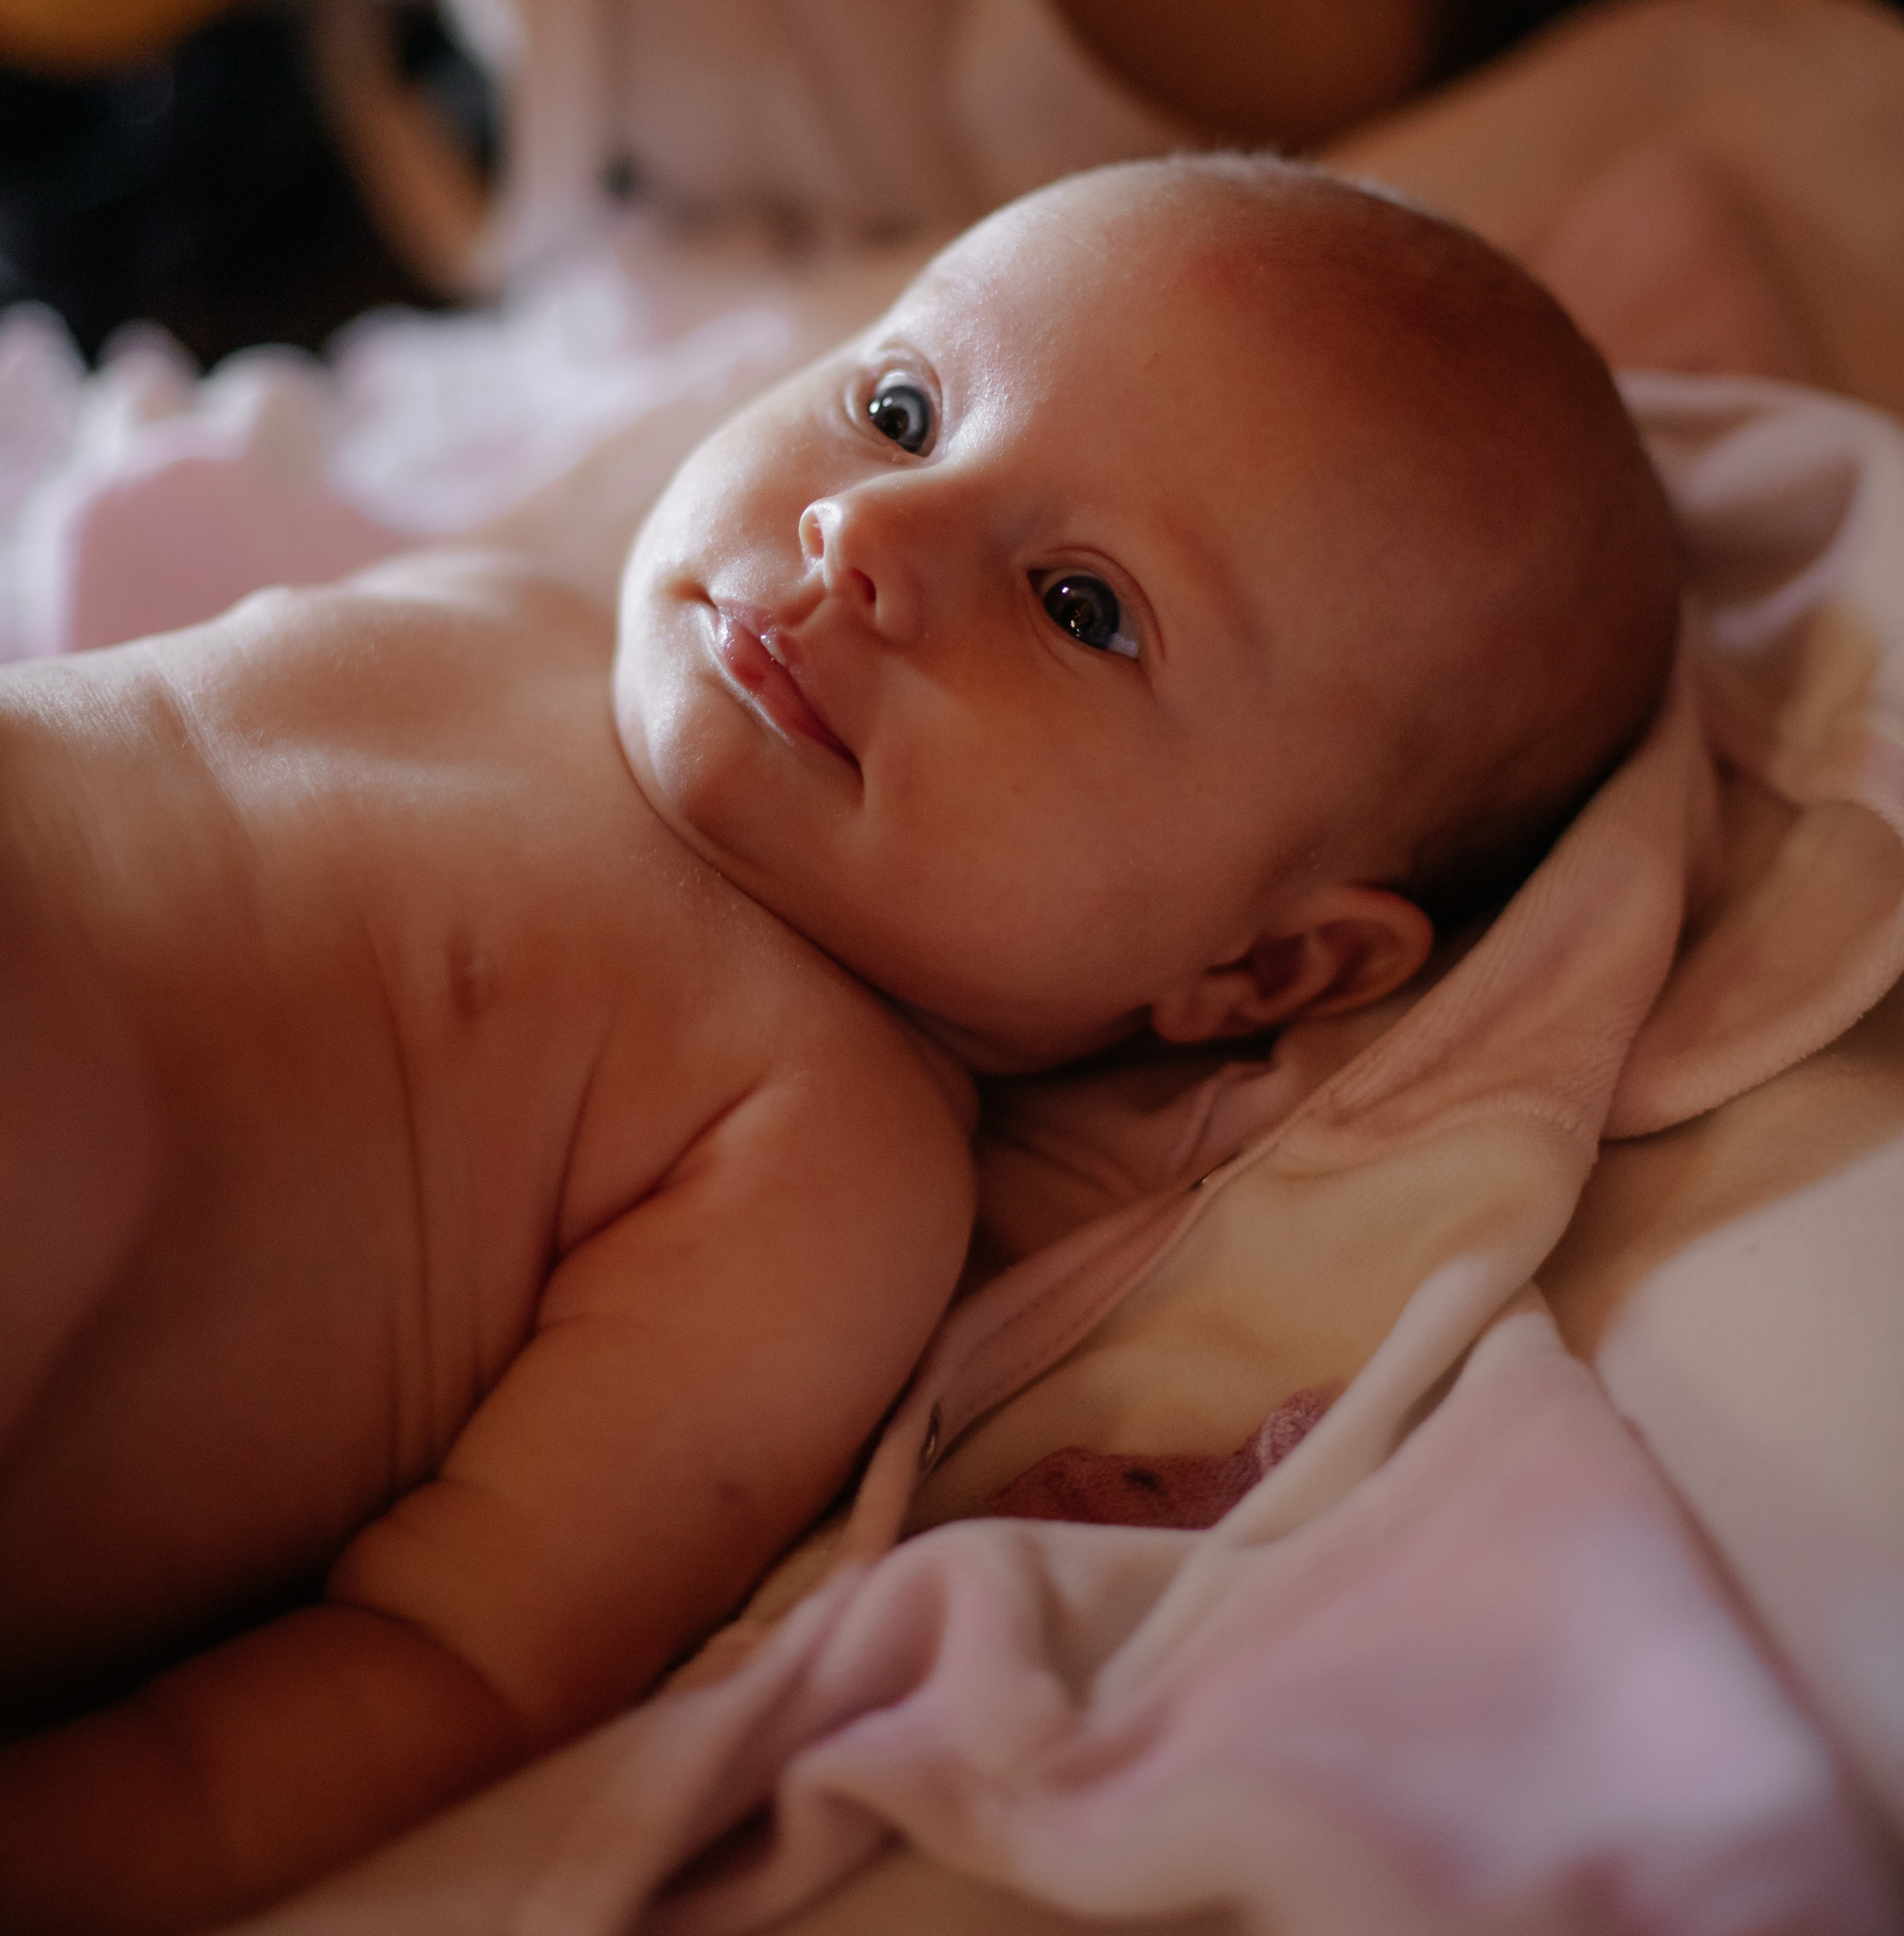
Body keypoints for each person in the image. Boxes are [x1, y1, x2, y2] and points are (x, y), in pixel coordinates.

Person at [0, 154, 1681, 1933]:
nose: (871, 538)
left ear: (1258, 970)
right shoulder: (513, 613)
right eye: (899, 409)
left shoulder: (828, 1151)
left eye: (1079, 605)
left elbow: (446, 1663)